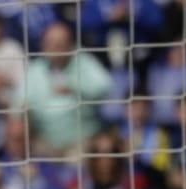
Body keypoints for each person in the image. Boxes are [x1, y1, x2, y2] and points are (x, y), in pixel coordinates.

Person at [14, 20, 113, 156]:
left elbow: (105, 88)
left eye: (60, 43)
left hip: (85, 140)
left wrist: (75, 87)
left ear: (71, 45)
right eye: (50, 43)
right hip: (45, 142)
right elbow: (18, 104)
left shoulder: (84, 61)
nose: (55, 47)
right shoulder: (35, 69)